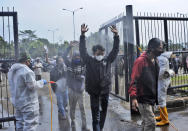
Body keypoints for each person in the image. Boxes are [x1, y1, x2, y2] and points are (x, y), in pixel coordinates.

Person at [79, 24, 119, 131]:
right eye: (99, 53)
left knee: (103, 113)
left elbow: (115, 50)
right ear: (94, 53)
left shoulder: (107, 60)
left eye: (103, 53)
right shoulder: (89, 60)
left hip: (105, 92)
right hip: (94, 93)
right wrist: (82, 35)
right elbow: (82, 50)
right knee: (95, 117)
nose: (101, 54)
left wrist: (116, 36)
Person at [128, 38, 163, 131]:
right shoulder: (140, 61)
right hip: (143, 97)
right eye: (159, 48)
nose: (161, 50)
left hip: (152, 96)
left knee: (145, 122)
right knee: (151, 122)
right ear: (152, 48)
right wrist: (134, 97)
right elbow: (134, 80)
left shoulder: (156, 60)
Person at [8, 52, 47, 131]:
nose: (30, 63)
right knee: (30, 125)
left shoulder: (12, 70)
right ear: (27, 60)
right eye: (29, 61)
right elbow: (32, 86)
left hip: (18, 102)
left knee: (20, 123)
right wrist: (42, 82)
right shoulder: (27, 71)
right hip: (28, 104)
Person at [63, 43, 90, 131]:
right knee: (72, 107)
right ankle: (73, 121)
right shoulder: (69, 64)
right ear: (73, 57)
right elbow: (64, 56)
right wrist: (69, 47)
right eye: (76, 57)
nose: (77, 58)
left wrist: (81, 77)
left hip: (81, 91)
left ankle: (84, 125)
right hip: (71, 90)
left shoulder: (83, 64)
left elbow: (85, 54)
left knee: (83, 108)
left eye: (79, 57)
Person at [155, 51, 175, 126]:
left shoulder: (162, 59)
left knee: (161, 99)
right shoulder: (162, 58)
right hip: (162, 81)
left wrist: (154, 74)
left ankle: (165, 120)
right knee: (160, 98)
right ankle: (162, 116)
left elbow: (161, 72)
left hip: (162, 81)